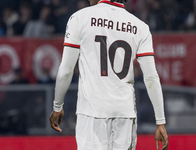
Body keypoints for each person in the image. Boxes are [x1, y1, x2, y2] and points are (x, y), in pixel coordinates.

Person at [49, 0, 169, 150]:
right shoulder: (140, 27)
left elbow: (66, 70)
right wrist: (160, 122)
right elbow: (151, 77)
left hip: (92, 112)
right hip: (125, 114)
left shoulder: (80, 18)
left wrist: (57, 106)